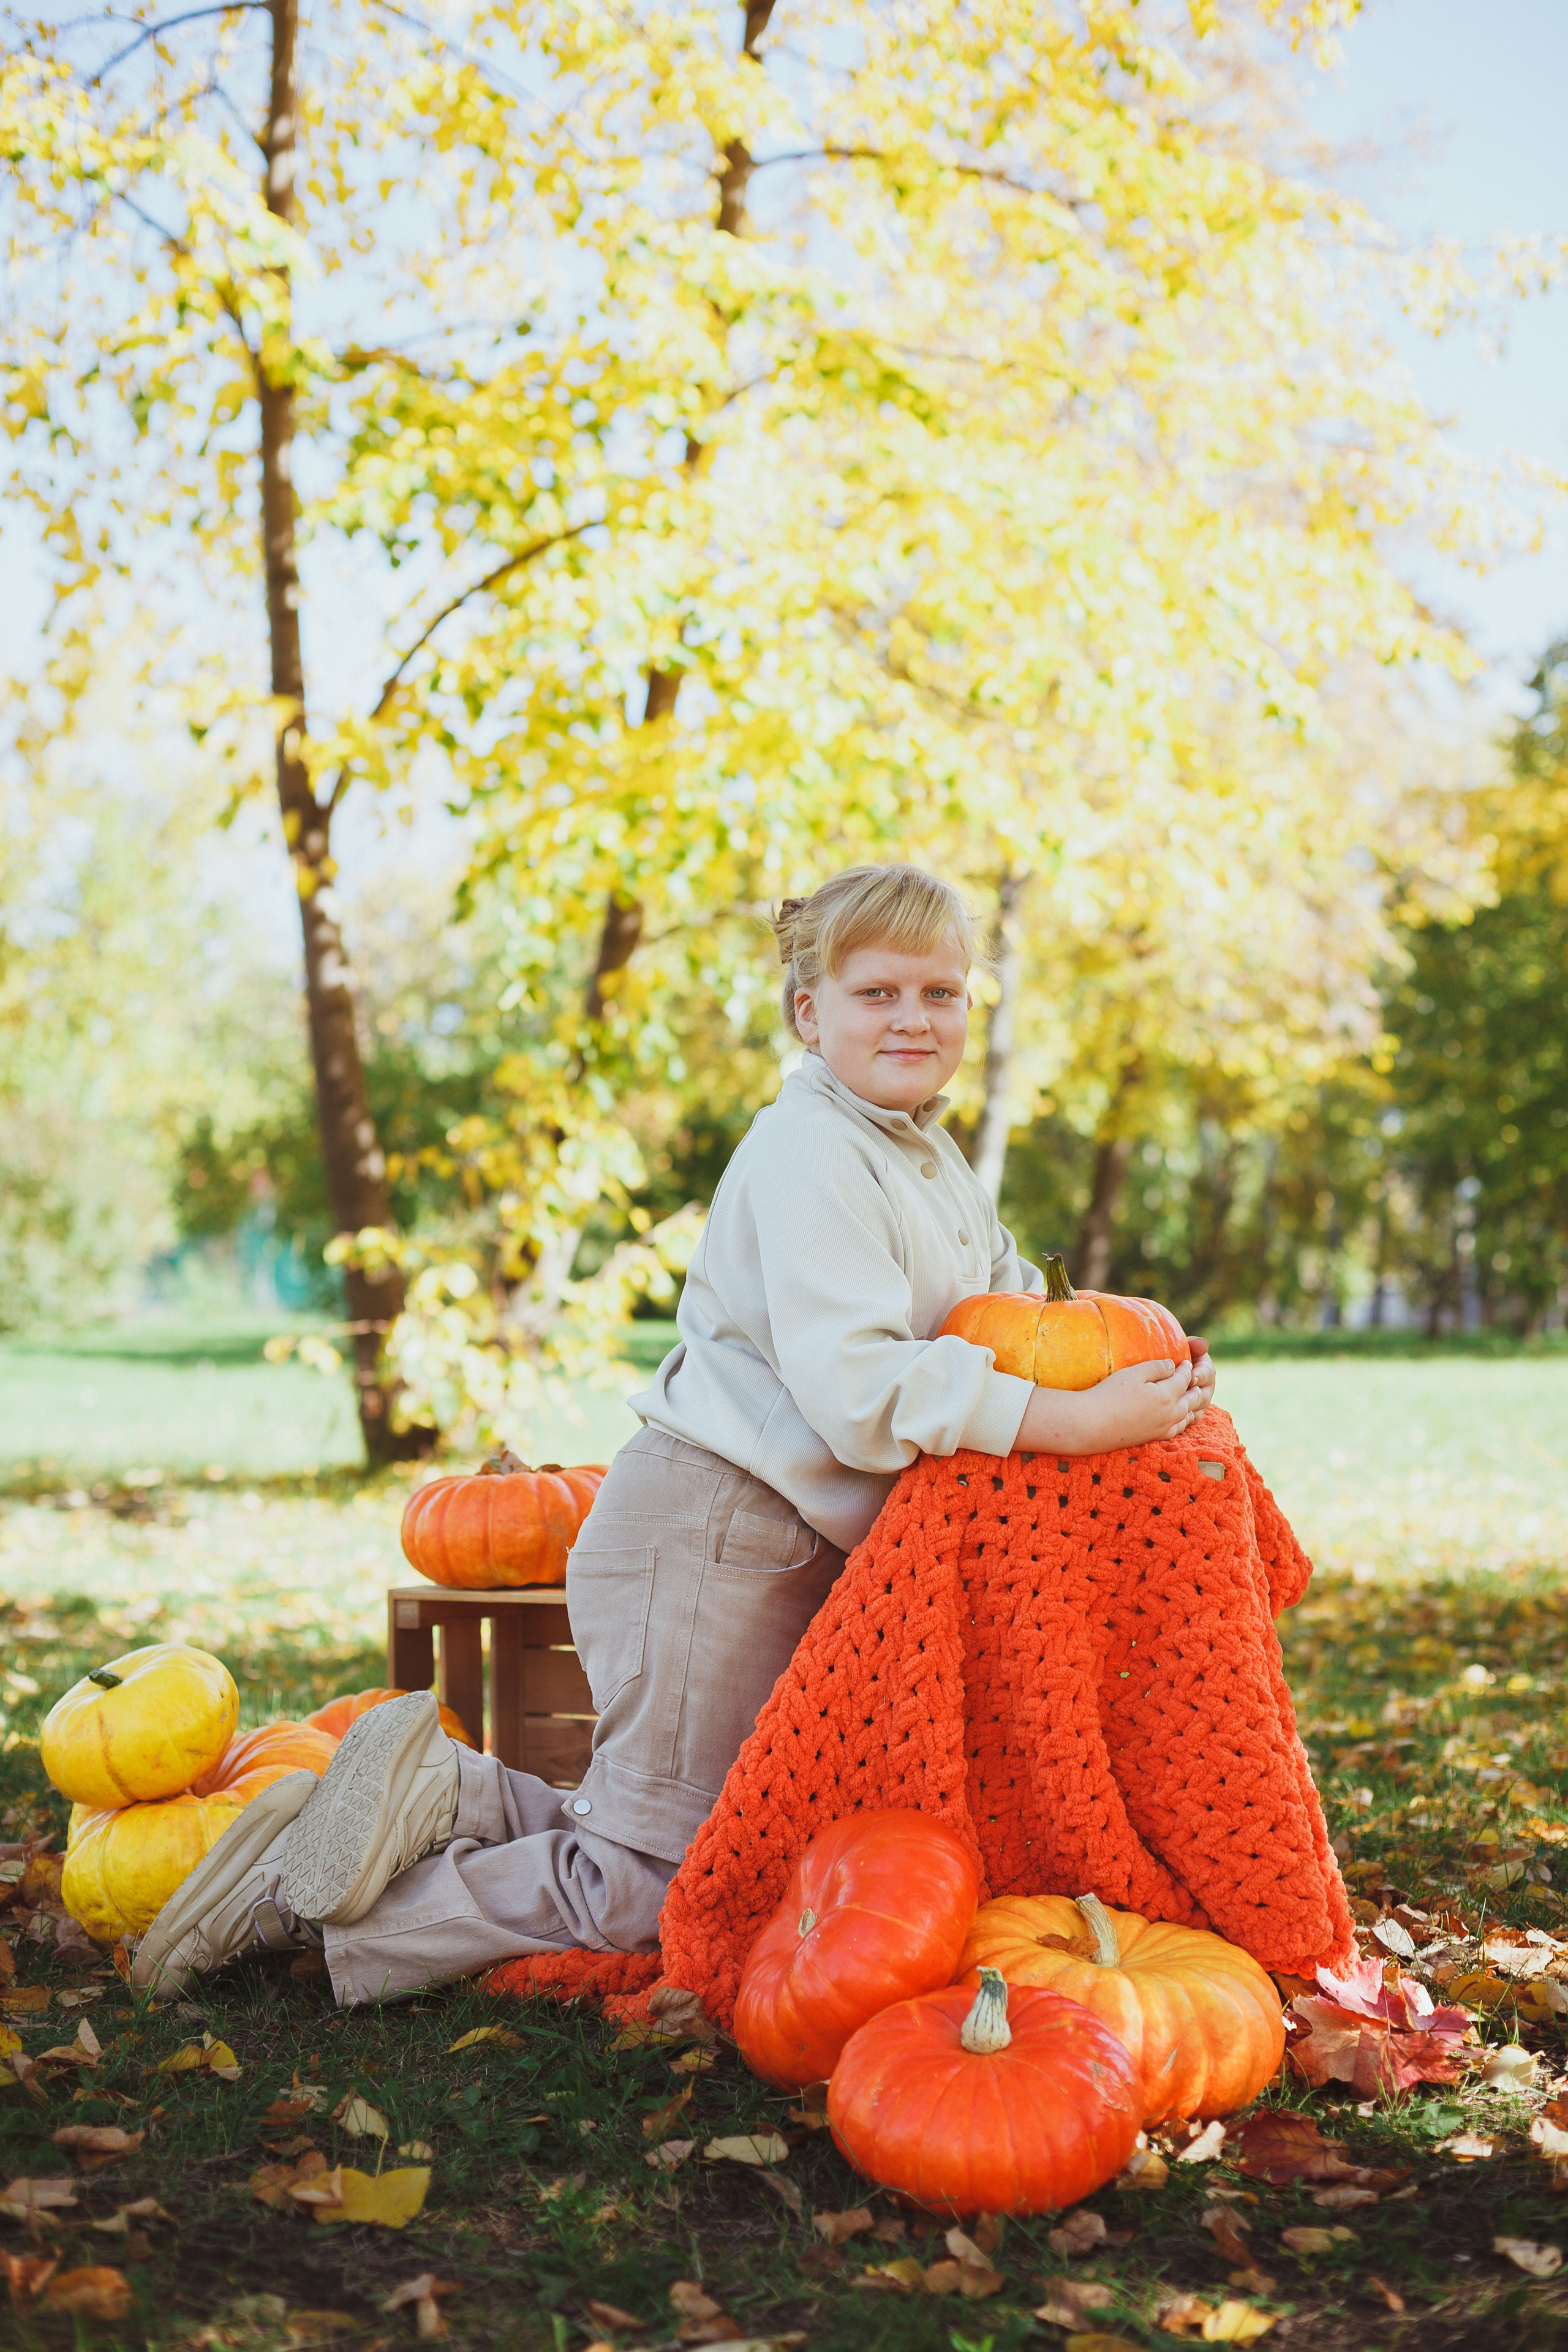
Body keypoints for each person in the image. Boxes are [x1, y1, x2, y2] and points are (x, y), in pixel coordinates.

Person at [134, 864, 1215, 2001]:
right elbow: (857, 1387)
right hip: (710, 1538)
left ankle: (445, 1797)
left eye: (941, 994)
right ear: (810, 1012)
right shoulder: (811, 1151)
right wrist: (1071, 1419)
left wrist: (1116, 1354)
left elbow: (1007, 1317)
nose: (915, 1018)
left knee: (705, 1827)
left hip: (771, 1543)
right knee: (656, 1882)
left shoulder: (924, 1155)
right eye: (879, 993)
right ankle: (321, 1922)